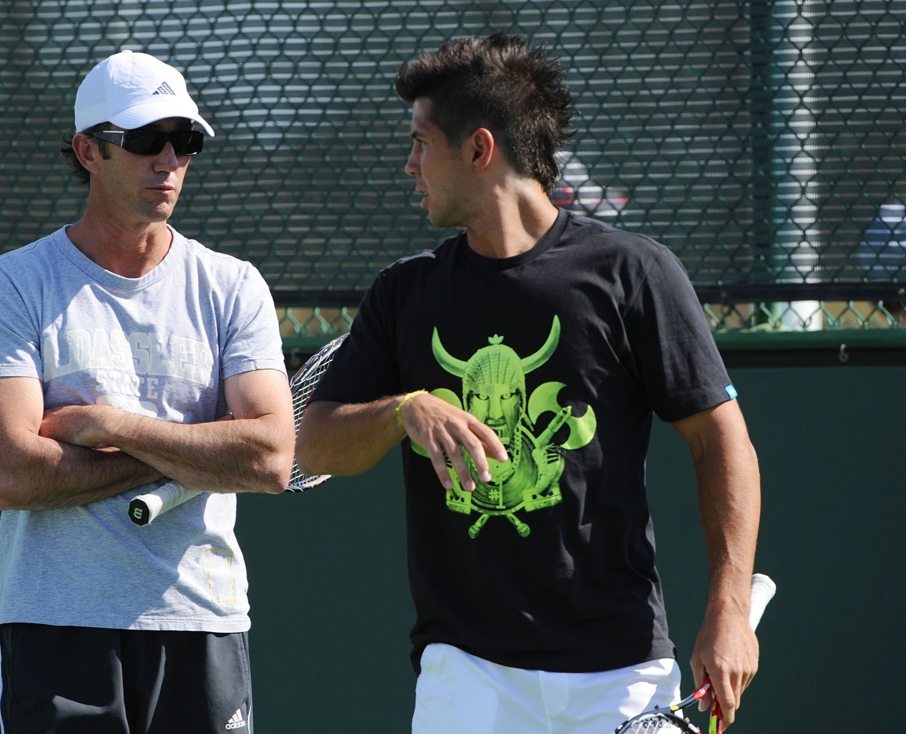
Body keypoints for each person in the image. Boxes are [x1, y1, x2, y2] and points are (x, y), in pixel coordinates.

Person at [295, 33, 761, 734]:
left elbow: (720, 440)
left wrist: (728, 612)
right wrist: (404, 412)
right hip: (467, 670)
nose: (409, 164)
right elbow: (313, 447)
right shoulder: (405, 293)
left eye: (422, 143)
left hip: (624, 671)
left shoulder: (634, 273)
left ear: (479, 150)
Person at [0, 50, 294, 734]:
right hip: (54, 628)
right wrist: (200, 447)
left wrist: (111, 426)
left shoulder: (233, 286)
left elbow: (268, 458)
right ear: (89, 151)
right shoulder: (13, 283)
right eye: (144, 141)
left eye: (185, 142)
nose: (168, 161)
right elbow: (9, 474)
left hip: (202, 622)